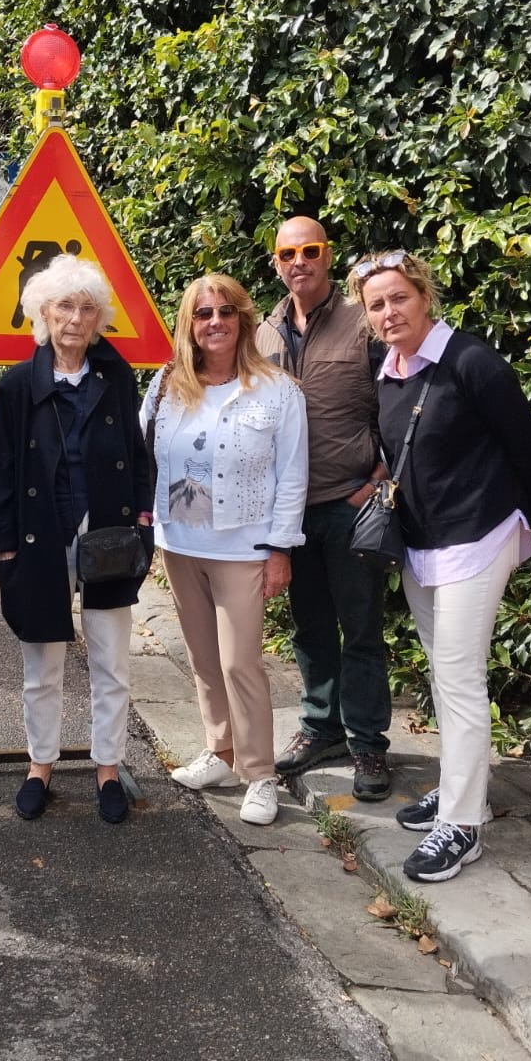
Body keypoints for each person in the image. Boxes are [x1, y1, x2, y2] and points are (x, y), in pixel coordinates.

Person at [355, 250, 531, 883]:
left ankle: (462, 826)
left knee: (460, 677)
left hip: (477, 537)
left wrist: (516, 518)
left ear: (424, 297)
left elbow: (528, 449)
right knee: (444, 674)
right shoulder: (387, 372)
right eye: (376, 304)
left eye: (398, 298)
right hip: (420, 544)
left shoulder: (471, 362)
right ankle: (464, 787)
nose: (389, 313)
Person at [0, 254, 154, 824]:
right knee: (42, 664)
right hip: (38, 539)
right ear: (42, 313)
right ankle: (40, 765)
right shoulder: (17, 385)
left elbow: (137, 452)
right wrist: (3, 547)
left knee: (111, 662)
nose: (75, 319)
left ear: (98, 318)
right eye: (63, 306)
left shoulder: (117, 376)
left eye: (86, 308)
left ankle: (108, 768)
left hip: (106, 536)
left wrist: (143, 523)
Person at [142, 274, 308, 826]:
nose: (215, 322)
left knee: (240, 663)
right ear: (189, 323)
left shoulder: (277, 390)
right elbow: (138, 453)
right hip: (180, 542)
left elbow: (292, 476)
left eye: (226, 312)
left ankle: (260, 774)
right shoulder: (166, 385)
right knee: (204, 660)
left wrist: (280, 548)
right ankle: (220, 751)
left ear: (243, 319)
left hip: (244, 546)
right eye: (203, 313)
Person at [255, 217, 393, 800]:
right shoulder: (263, 333)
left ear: (327, 256)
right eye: (288, 253)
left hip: (350, 502)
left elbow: (401, 402)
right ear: (276, 262)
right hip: (291, 513)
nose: (299, 261)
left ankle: (367, 744)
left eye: (310, 250)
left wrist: (380, 479)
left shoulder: (365, 321)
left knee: (361, 627)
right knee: (310, 626)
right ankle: (320, 727)